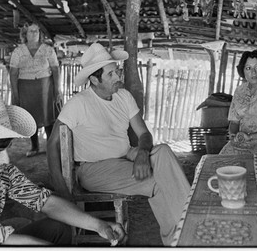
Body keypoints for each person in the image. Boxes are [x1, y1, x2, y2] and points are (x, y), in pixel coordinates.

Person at [0, 92, 125, 246]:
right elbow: (2, 242)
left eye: (6, 150)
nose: (5, 160)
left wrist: (99, 225)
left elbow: (46, 203)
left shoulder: (1, 173)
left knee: (57, 228)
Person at [47, 43, 190, 246]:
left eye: (118, 71)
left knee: (164, 152)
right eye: (111, 74)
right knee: (159, 182)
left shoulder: (123, 97)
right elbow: (53, 143)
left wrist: (142, 153)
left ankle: (187, 223)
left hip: (126, 156)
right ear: (95, 79)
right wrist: (60, 186)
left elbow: (144, 134)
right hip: (94, 168)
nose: (119, 77)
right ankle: (179, 239)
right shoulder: (78, 104)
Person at [9, 23, 62, 157]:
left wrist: (57, 89)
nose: (34, 34)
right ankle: (34, 147)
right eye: (31, 31)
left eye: (36, 31)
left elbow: (55, 69)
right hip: (26, 88)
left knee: (48, 115)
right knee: (30, 117)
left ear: (40, 34)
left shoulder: (47, 50)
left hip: (45, 86)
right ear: (25, 34)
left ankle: (51, 147)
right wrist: (15, 94)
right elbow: (13, 73)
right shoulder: (18, 51)